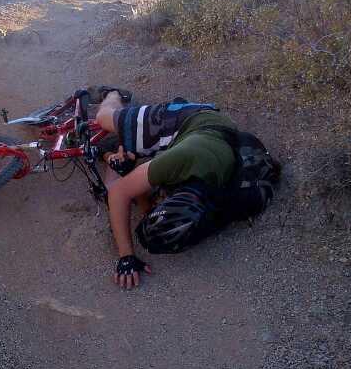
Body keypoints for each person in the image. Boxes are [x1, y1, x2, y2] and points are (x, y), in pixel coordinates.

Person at [94, 90, 248, 289]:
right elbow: (119, 194)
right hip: (187, 120)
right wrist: (126, 257)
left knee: (118, 177)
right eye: (159, 202)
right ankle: (113, 94)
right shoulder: (179, 162)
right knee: (103, 119)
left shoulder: (215, 201)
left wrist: (144, 201)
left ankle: (113, 151)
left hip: (209, 141)